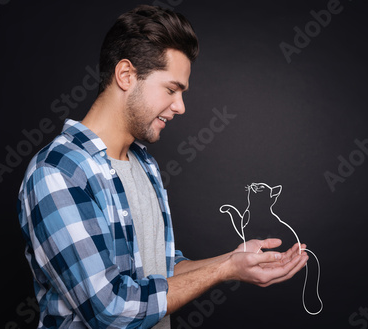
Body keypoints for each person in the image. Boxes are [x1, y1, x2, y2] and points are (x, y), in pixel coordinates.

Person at [17, 4, 308, 329]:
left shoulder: (145, 165)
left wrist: (234, 259)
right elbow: (111, 310)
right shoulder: (59, 172)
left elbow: (161, 271)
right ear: (126, 75)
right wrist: (225, 271)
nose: (180, 107)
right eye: (171, 89)